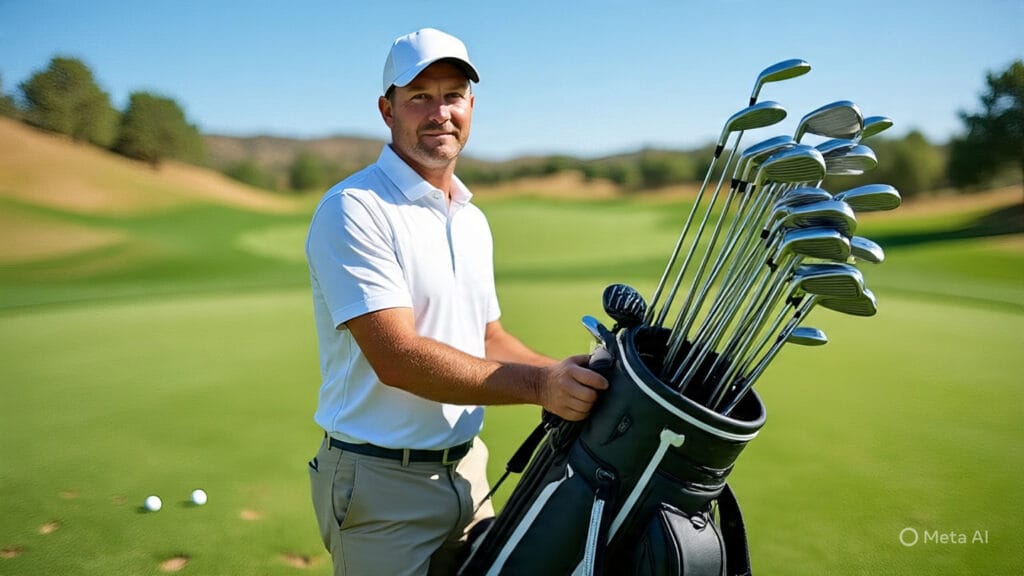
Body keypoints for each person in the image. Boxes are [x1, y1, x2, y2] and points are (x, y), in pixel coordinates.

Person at [305, 28, 609, 576]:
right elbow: (396, 357)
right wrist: (542, 387)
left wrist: (578, 374)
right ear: (387, 110)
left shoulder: (471, 218)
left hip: (470, 473)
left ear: (471, 105)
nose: (439, 111)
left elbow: (487, 336)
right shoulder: (355, 208)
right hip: (380, 486)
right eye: (419, 96)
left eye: (452, 94)